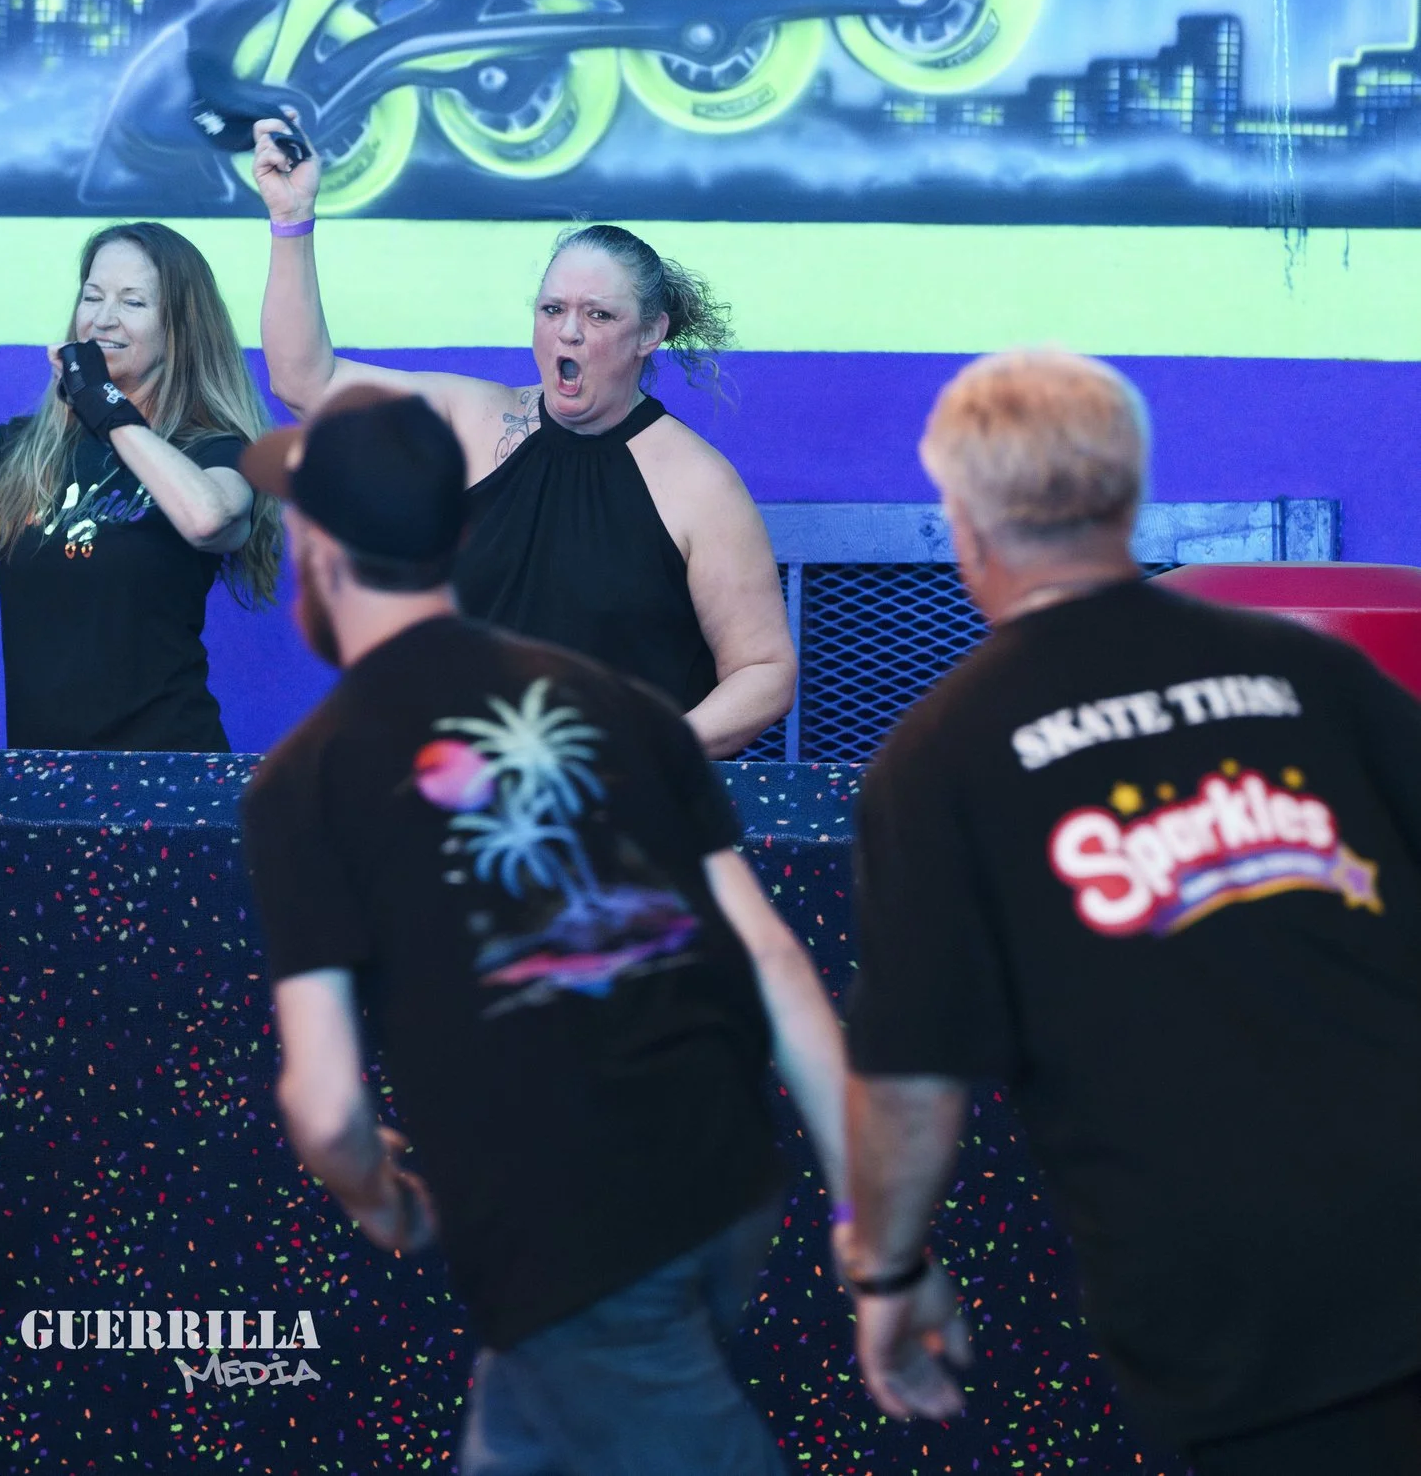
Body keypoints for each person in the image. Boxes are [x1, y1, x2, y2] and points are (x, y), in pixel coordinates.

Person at [236, 387, 851, 1473]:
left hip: (583, 1226)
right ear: (458, 534)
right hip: (727, 1179)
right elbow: (774, 963)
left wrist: (378, 1197)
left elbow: (329, 1109)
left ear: (317, 548)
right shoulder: (613, 701)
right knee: (527, 1425)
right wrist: (871, 1223)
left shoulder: (309, 777)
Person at [840, 350, 1421, 1476]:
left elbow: (910, 1079)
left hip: (1245, 1322)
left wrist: (888, 1270)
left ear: (963, 521)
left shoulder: (939, 753)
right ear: (1131, 490)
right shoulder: (1310, 673)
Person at [251, 120, 793, 756]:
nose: (569, 333)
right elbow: (304, 381)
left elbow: (765, 672)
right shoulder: (469, 420)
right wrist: (292, 219)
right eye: (552, 310)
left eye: (599, 315)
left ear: (650, 334)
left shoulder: (699, 485)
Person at [0, 221, 281, 751]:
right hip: (45, 781)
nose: (103, 319)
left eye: (133, 302)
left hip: (166, 774)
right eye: (92, 296)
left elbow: (212, 516)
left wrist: (104, 407)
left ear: (180, 328)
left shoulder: (210, 449)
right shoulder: (29, 448)